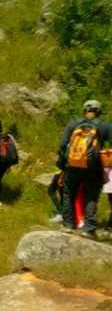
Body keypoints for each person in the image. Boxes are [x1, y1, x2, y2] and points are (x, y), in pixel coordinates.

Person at [58, 100, 112, 234]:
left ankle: (68, 225)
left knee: (68, 194)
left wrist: (65, 165)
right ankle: (88, 229)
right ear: (98, 111)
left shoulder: (73, 124)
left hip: (72, 165)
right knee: (91, 196)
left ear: (84, 110)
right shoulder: (104, 126)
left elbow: (62, 145)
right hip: (93, 167)